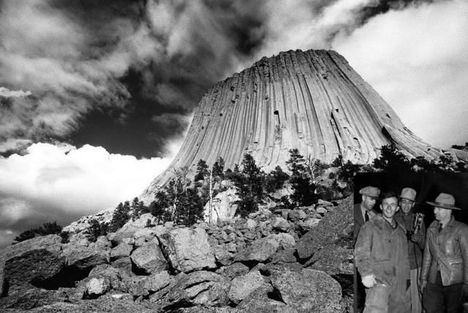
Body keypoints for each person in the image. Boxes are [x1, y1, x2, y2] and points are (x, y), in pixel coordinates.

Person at [355, 191, 410, 313]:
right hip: (378, 281)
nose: (389, 208)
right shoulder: (370, 226)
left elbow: (405, 258)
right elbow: (361, 252)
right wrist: (366, 274)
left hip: (399, 284)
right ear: (381, 206)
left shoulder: (401, 231)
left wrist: (407, 278)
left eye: (393, 204)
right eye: (386, 204)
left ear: (397, 208)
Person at [421, 193, 468, 313]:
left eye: (438, 208)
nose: (434, 211)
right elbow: (427, 256)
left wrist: (467, 283)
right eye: (435, 207)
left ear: (448, 211)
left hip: (455, 281)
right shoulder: (431, 229)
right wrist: (423, 279)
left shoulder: (461, 229)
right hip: (433, 279)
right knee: (431, 308)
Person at [394, 187, 425, 313]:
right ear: (400, 203)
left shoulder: (419, 220)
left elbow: (425, 246)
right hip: (399, 266)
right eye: (404, 201)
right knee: (401, 299)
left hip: (415, 266)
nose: (406, 205)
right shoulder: (393, 218)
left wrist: (418, 239)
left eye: (409, 202)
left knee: (417, 299)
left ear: (413, 204)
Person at [354, 186, 380, 313]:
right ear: (363, 197)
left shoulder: (376, 216)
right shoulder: (353, 211)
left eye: (375, 200)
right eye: (371, 199)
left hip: (370, 264)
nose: (374, 202)